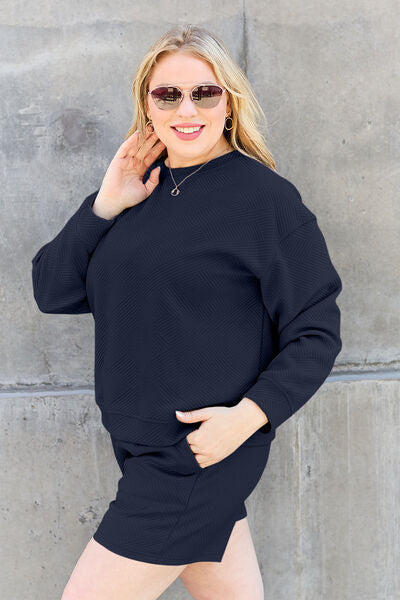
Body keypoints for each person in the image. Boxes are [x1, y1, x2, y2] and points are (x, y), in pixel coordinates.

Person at [31, 24, 342, 600]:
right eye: (167, 95)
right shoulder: (136, 187)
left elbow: (316, 331)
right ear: (146, 104)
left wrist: (246, 419)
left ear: (230, 101)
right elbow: (53, 291)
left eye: (205, 92)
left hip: (197, 454)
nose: (186, 109)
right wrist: (104, 205)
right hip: (135, 442)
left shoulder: (266, 202)